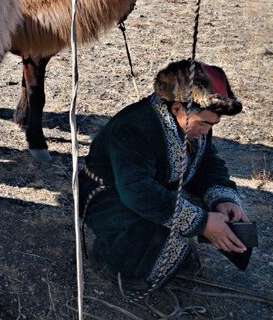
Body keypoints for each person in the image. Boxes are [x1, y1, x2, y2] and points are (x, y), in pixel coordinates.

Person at [81, 60, 247, 293]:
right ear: (178, 107)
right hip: (107, 195)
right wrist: (202, 222)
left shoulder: (194, 124)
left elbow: (208, 164)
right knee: (153, 247)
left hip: (150, 191)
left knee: (180, 233)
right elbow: (137, 191)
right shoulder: (132, 128)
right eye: (204, 123)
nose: (207, 131)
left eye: (213, 124)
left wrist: (223, 200)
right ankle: (111, 259)